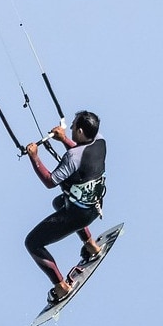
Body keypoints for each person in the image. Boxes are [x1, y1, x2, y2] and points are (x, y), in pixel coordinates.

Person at [25, 110, 106, 304]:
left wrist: (34, 157)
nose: (68, 128)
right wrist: (63, 140)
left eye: (72, 126)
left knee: (32, 243)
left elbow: (50, 181)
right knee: (59, 202)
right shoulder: (100, 141)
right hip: (96, 206)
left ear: (79, 130)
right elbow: (81, 155)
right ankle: (91, 246)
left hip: (79, 215)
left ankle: (61, 288)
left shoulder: (72, 157)